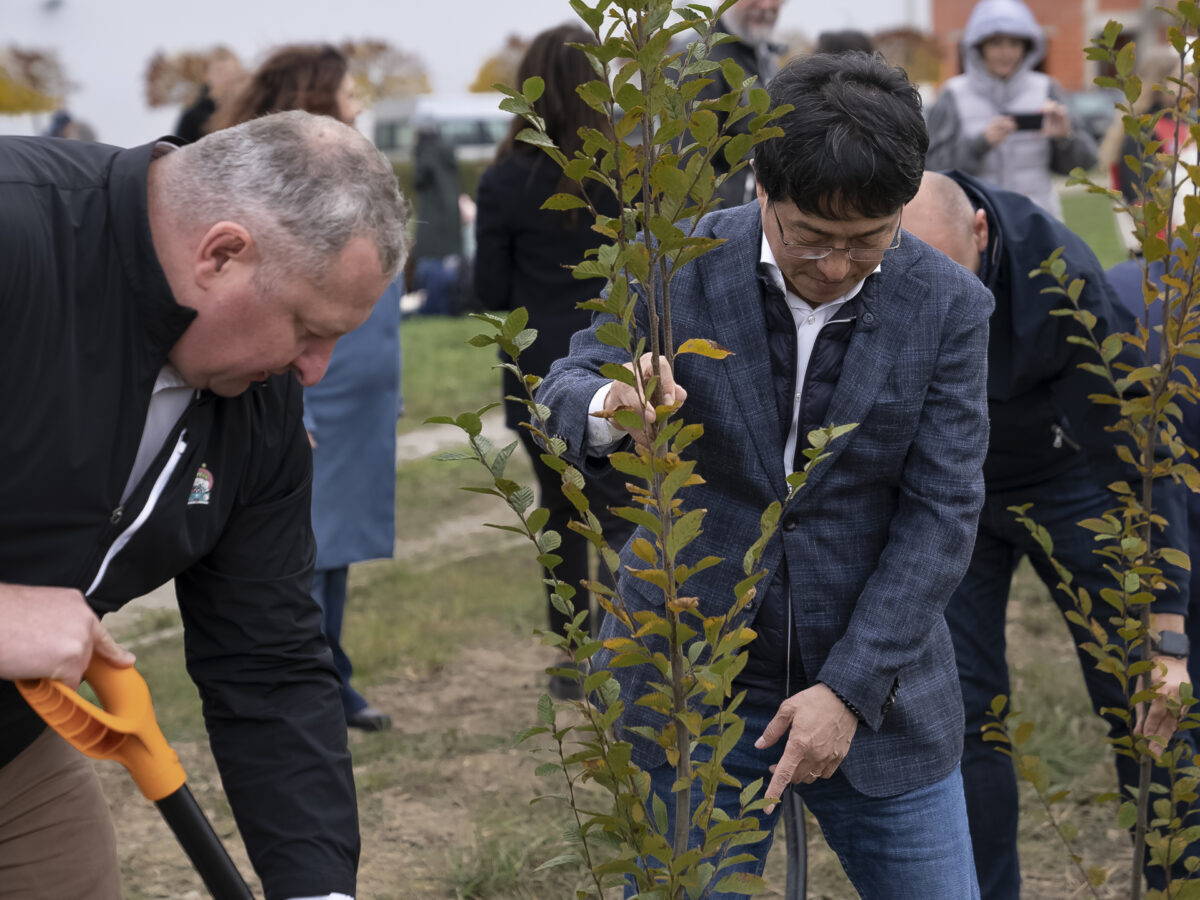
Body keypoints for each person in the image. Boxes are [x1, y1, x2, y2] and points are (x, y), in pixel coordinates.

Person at [539, 51, 992, 897]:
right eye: (812, 238)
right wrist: (609, 403)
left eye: (868, 241)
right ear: (759, 189)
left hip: (879, 687)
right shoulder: (672, 263)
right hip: (690, 681)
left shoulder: (949, 308)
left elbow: (942, 515)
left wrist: (848, 692)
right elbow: (562, 388)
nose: (833, 265)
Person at [0, 109, 408, 900]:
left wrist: (315, 888)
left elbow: (269, 662)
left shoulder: (257, 404)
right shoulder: (14, 239)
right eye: (305, 329)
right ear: (221, 254)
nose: (314, 372)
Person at [904, 170, 1192, 900]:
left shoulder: (1059, 273)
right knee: (963, 714)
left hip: (1069, 476)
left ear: (979, 231)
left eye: (950, 277)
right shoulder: (874, 255)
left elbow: (1138, 454)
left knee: (1145, 695)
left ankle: (1172, 876)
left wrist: (1167, 627)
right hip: (949, 491)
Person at [218, 43, 400, 732]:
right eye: (350, 93)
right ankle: (309, 680)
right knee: (298, 546)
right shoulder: (274, 189)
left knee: (338, 544)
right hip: (311, 392)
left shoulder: (356, 179)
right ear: (319, 98)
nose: (358, 106)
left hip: (358, 398)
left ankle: (332, 670)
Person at [473, 24, 637, 700]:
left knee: (562, 513)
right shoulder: (622, 172)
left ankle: (574, 660)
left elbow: (487, 293)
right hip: (614, 359)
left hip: (537, 365)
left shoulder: (504, 180)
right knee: (630, 510)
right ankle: (650, 641)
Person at [924, 0, 1098, 219]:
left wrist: (1065, 138)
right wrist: (980, 144)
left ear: (1027, 47)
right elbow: (932, 169)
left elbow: (1086, 164)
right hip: (976, 225)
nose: (1005, 52)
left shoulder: (1047, 89)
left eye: (1014, 43)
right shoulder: (953, 94)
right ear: (978, 46)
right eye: (996, 43)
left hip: (1037, 222)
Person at [683, 0, 786, 208]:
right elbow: (688, 171)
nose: (765, 6)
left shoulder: (764, 56)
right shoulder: (699, 60)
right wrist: (715, 236)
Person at [410, 119, 464, 315]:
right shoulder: (447, 153)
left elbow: (419, 179)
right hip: (449, 219)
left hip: (431, 222)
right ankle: (448, 308)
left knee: (429, 266)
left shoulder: (426, 155)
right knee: (448, 267)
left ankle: (431, 309)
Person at [174, 47, 245, 143]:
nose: (227, 77)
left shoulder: (244, 111)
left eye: (232, 71)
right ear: (206, 75)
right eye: (220, 71)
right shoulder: (191, 117)